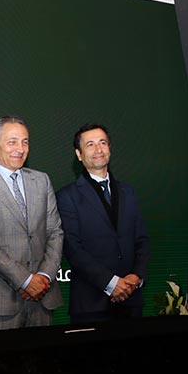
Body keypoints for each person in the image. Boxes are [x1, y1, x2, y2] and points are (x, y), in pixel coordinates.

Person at [0, 115, 63, 331]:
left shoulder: (42, 180)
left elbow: (55, 232)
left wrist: (44, 277)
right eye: (12, 142)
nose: (20, 149)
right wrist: (25, 281)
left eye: (25, 142)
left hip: (44, 297)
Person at [56, 124, 150, 324]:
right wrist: (111, 283)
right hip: (91, 304)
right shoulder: (67, 196)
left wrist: (136, 276)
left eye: (102, 143)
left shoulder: (128, 192)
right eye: (90, 144)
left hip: (131, 300)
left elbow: (141, 239)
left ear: (109, 148)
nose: (98, 149)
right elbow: (72, 248)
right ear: (79, 154)